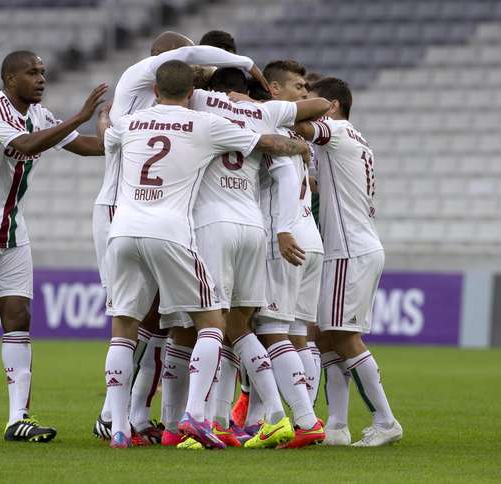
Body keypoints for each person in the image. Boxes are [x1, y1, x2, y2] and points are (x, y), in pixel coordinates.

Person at [101, 60, 310, 449]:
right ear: (192, 94)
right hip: (174, 231)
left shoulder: (133, 122)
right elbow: (265, 142)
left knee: (124, 328)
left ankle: (118, 428)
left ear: (156, 90)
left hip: (123, 230)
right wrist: (298, 147)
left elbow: (105, 134)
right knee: (214, 322)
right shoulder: (203, 123)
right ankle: (198, 417)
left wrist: (101, 118)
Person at [0, 51, 108, 442]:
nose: (41, 79)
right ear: (9, 78)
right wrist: (80, 116)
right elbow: (28, 145)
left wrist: (119, 139)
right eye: (32, 73)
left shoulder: (40, 115)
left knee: (19, 320)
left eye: (43, 73)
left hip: (13, 234)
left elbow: (83, 146)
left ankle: (19, 419)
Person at [176, 67, 330, 449]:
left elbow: (287, 178)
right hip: (276, 231)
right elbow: (317, 112)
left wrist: (283, 228)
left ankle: (286, 418)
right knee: (258, 330)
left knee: (246, 328)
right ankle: (231, 419)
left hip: (267, 231)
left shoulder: (200, 109)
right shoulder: (269, 116)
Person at [295, 77, 403, 447]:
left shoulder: (336, 130)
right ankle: (337, 427)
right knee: (325, 336)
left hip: (348, 249)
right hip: (356, 245)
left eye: (311, 100)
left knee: (342, 335)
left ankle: (386, 420)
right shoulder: (354, 138)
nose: (304, 104)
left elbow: (296, 124)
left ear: (332, 105)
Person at [232, 60, 326, 448]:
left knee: (271, 331)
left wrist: (283, 229)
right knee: (298, 334)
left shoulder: (271, 127)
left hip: (285, 237)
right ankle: (292, 417)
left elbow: (286, 178)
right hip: (311, 236)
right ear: (274, 88)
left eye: (305, 88)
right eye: (298, 87)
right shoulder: (292, 132)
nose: (303, 94)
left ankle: (301, 420)